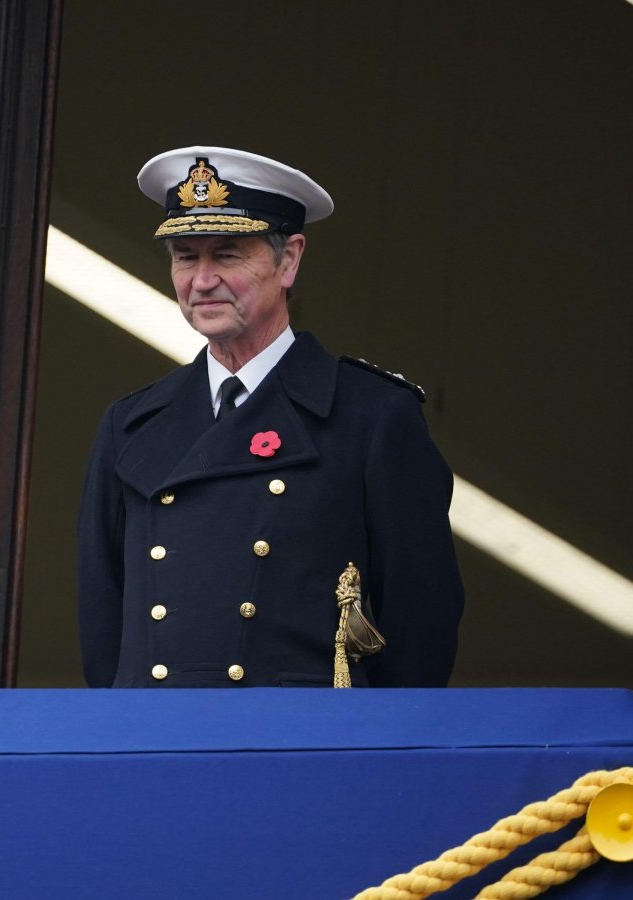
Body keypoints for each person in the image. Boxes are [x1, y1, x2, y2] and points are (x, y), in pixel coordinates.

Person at [77, 146, 464, 688]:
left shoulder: (371, 416)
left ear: (289, 261)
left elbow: (422, 624)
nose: (202, 280)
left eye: (228, 255)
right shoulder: (131, 423)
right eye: (186, 256)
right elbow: (103, 624)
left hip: (298, 746)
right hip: (157, 740)